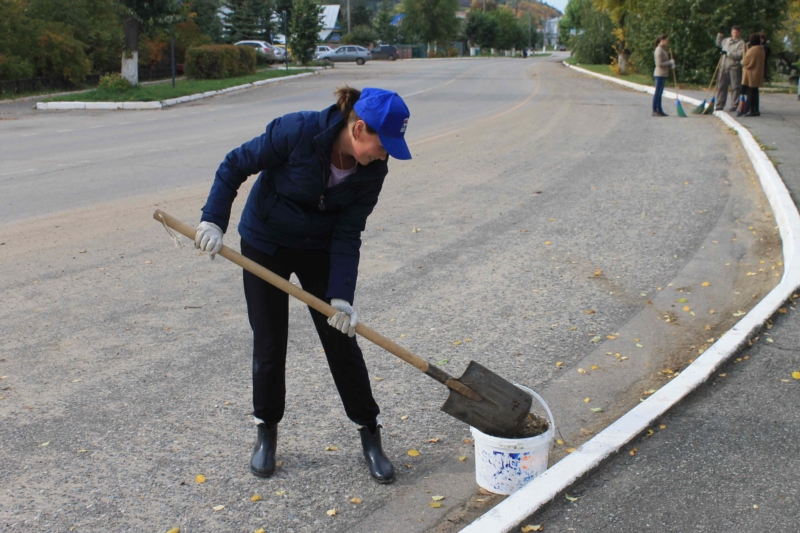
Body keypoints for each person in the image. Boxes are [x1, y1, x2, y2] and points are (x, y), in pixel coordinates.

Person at [194, 86, 411, 484]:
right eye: (384, 144)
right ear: (359, 128)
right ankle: (266, 431)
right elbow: (235, 164)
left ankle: (370, 432)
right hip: (266, 243)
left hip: (320, 249)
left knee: (340, 341)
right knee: (270, 341)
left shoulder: (372, 171)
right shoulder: (296, 131)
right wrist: (213, 219)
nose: (386, 154)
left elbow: (348, 232)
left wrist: (342, 297)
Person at [715, 25, 745, 111]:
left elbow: (739, 55)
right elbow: (718, 43)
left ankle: (734, 105)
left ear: (739, 33)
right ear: (731, 32)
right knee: (721, 86)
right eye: (733, 32)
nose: (735, 34)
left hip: (734, 67)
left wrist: (728, 53)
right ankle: (719, 104)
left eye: (736, 32)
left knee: (735, 87)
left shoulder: (741, 43)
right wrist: (720, 34)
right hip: (723, 66)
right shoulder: (727, 40)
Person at [741, 33, 765, 117]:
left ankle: (751, 110)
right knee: (755, 92)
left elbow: (745, 62)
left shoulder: (752, 50)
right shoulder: (761, 49)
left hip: (751, 74)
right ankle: (756, 110)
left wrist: (744, 54)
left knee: (750, 93)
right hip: (758, 73)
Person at [652, 34, 675, 117]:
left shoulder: (663, 49)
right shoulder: (658, 50)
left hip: (663, 74)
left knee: (660, 93)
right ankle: (654, 110)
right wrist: (670, 62)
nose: (667, 42)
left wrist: (671, 64)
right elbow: (659, 63)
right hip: (659, 74)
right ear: (662, 40)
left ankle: (660, 110)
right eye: (666, 40)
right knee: (657, 92)